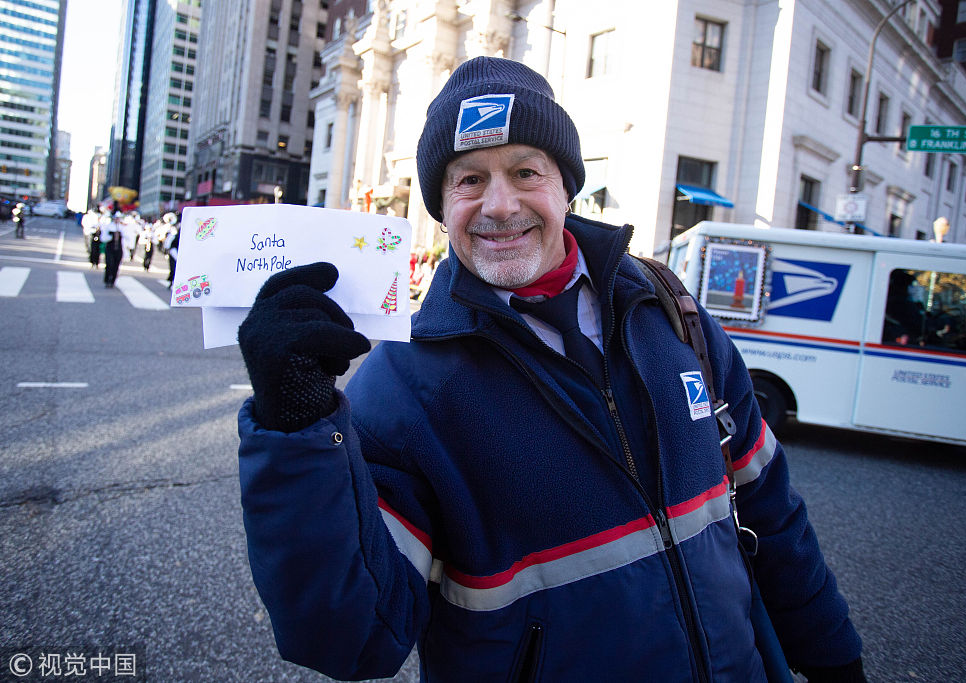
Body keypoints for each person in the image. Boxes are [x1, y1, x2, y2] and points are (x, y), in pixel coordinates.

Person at [237, 57, 865, 682]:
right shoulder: (402, 388)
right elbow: (353, 638)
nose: (500, 205)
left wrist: (834, 655)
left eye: (525, 171)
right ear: (441, 206)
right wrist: (294, 426)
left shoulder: (673, 313)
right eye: (469, 180)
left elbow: (773, 515)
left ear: (567, 186)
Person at [103, 214, 124, 288]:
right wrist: (112, 236)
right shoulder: (109, 226)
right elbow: (103, 238)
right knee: (109, 264)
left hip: (119, 249)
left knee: (116, 265)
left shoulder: (122, 227)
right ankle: (107, 279)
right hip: (110, 248)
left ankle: (113, 281)